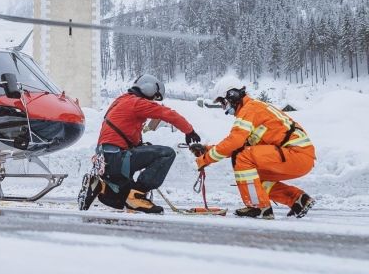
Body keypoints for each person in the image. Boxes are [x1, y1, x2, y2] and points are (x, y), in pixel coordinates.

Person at [193, 76, 316, 220]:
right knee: (253, 178)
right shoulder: (253, 109)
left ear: (232, 96)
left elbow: (234, 142)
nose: (223, 107)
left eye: (222, 102)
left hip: (295, 153)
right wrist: (207, 150)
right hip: (299, 156)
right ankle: (298, 200)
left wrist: (206, 159)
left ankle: (258, 207)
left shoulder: (249, 110)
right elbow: (240, 145)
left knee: (242, 158)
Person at [79, 74, 201, 214]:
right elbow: (167, 113)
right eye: (155, 97)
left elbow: (125, 132)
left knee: (120, 199)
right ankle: (137, 196)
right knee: (167, 154)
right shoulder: (138, 103)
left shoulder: (120, 101)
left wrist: (139, 146)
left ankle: (99, 186)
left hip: (105, 159)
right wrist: (189, 130)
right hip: (117, 158)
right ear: (149, 88)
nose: (154, 101)